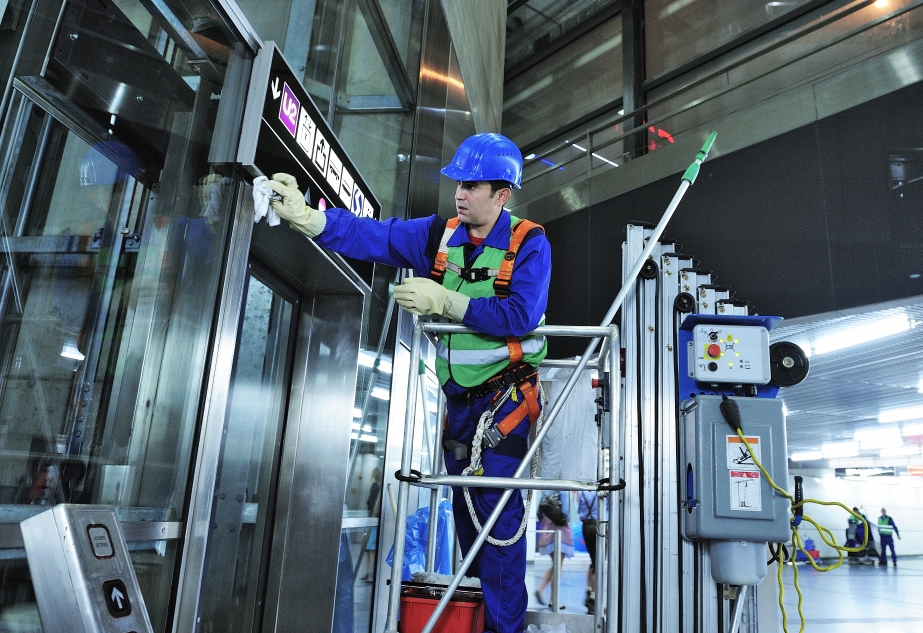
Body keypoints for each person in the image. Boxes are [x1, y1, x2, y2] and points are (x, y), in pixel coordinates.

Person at [265, 133, 551, 633]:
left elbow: (522, 313)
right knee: (468, 523)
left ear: (503, 194)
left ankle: (507, 631)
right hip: (459, 407)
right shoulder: (439, 235)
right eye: (458, 184)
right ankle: (486, 622)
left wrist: (447, 301)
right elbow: (374, 236)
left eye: (473, 185)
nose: (460, 194)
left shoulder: (530, 243)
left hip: (506, 401)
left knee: (499, 529)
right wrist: (310, 218)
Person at [534, 491, 573, 609]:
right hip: (560, 529)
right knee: (558, 566)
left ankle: (543, 591)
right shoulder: (564, 489)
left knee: (555, 565)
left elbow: (539, 513)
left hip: (547, 529)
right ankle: (552, 598)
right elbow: (565, 512)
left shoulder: (545, 489)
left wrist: (547, 521)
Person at [578, 490, 598, 613]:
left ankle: (588, 590)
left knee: (593, 561)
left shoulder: (582, 492)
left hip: (586, 526)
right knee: (598, 564)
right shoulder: (602, 490)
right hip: (599, 526)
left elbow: (579, 512)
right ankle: (593, 599)